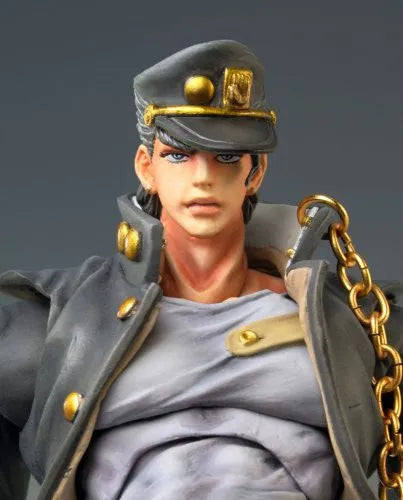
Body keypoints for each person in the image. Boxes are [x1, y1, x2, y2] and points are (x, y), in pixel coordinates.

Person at [0, 40, 402, 500]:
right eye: (178, 155)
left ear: (255, 172)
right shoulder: (62, 319)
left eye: (226, 157)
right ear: (146, 168)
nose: (203, 177)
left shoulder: (351, 322)